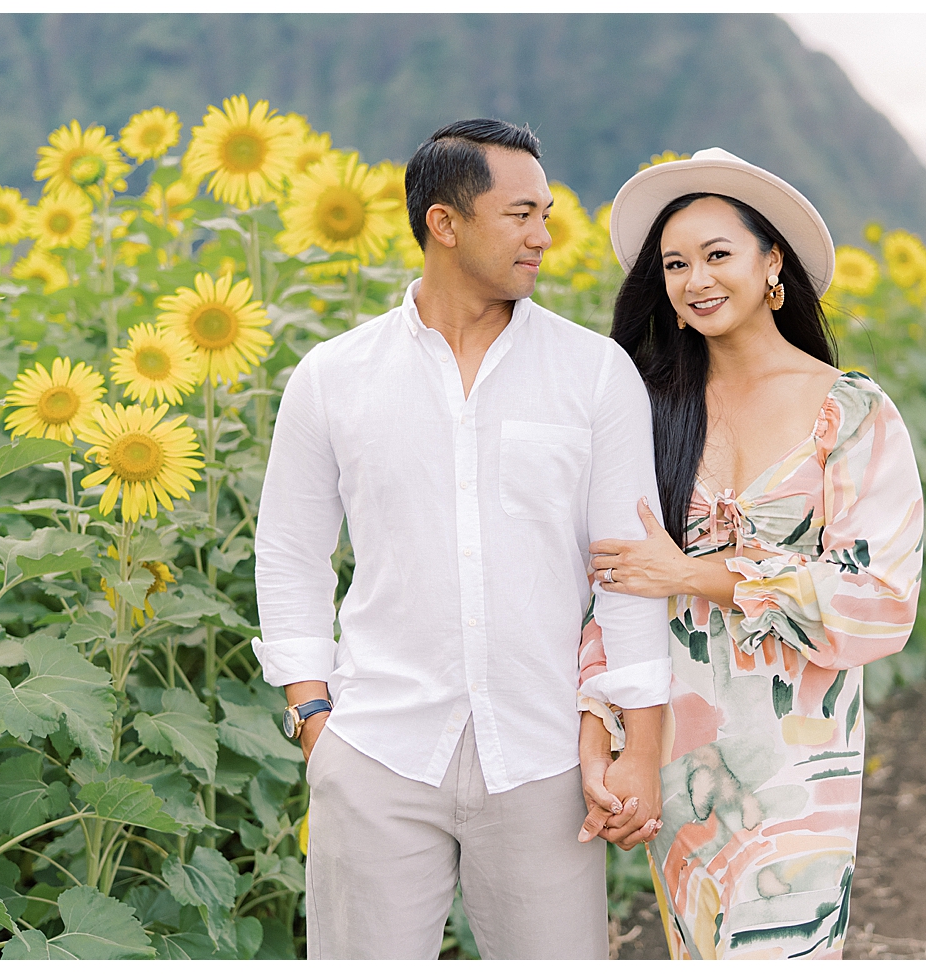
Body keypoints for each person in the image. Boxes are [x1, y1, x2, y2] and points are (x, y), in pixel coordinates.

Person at [251, 118, 668, 960]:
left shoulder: (594, 373)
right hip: (374, 749)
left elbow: (628, 572)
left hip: (546, 755)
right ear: (445, 222)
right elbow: (291, 549)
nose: (543, 237)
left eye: (545, 214)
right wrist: (313, 717)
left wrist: (639, 747)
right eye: (520, 215)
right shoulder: (334, 375)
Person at [574, 149, 925, 959]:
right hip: (679, 749)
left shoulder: (851, 411)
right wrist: (603, 735)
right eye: (675, 263)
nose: (695, 278)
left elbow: (882, 597)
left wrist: (696, 574)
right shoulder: (650, 408)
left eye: (717, 254)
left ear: (773, 263)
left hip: (799, 759)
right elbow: (614, 585)